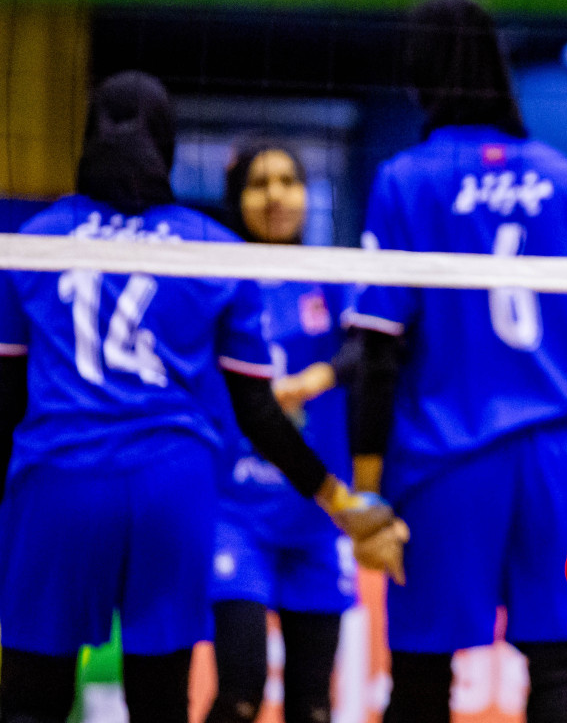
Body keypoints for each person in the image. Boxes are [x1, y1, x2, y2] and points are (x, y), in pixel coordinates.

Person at [0, 72, 405, 723]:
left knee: (29, 702)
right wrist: (339, 498)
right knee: (161, 702)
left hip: (57, 478)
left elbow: (7, 397)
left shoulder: (34, 240)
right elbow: (257, 409)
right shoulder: (213, 249)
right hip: (170, 483)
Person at [342, 0, 567, 723]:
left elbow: (378, 351)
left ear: (422, 68)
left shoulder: (406, 179)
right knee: (560, 670)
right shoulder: (560, 177)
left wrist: (366, 492)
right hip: (563, 455)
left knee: (422, 678)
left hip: (447, 456)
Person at [205, 140, 356, 723]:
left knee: (313, 706)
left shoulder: (335, 275)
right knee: (240, 694)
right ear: (236, 197)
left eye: (289, 180)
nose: (275, 195)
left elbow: (374, 346)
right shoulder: (218, 276)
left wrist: (321, 375)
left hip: (319, 515)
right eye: (258, 183)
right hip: (236, 512)